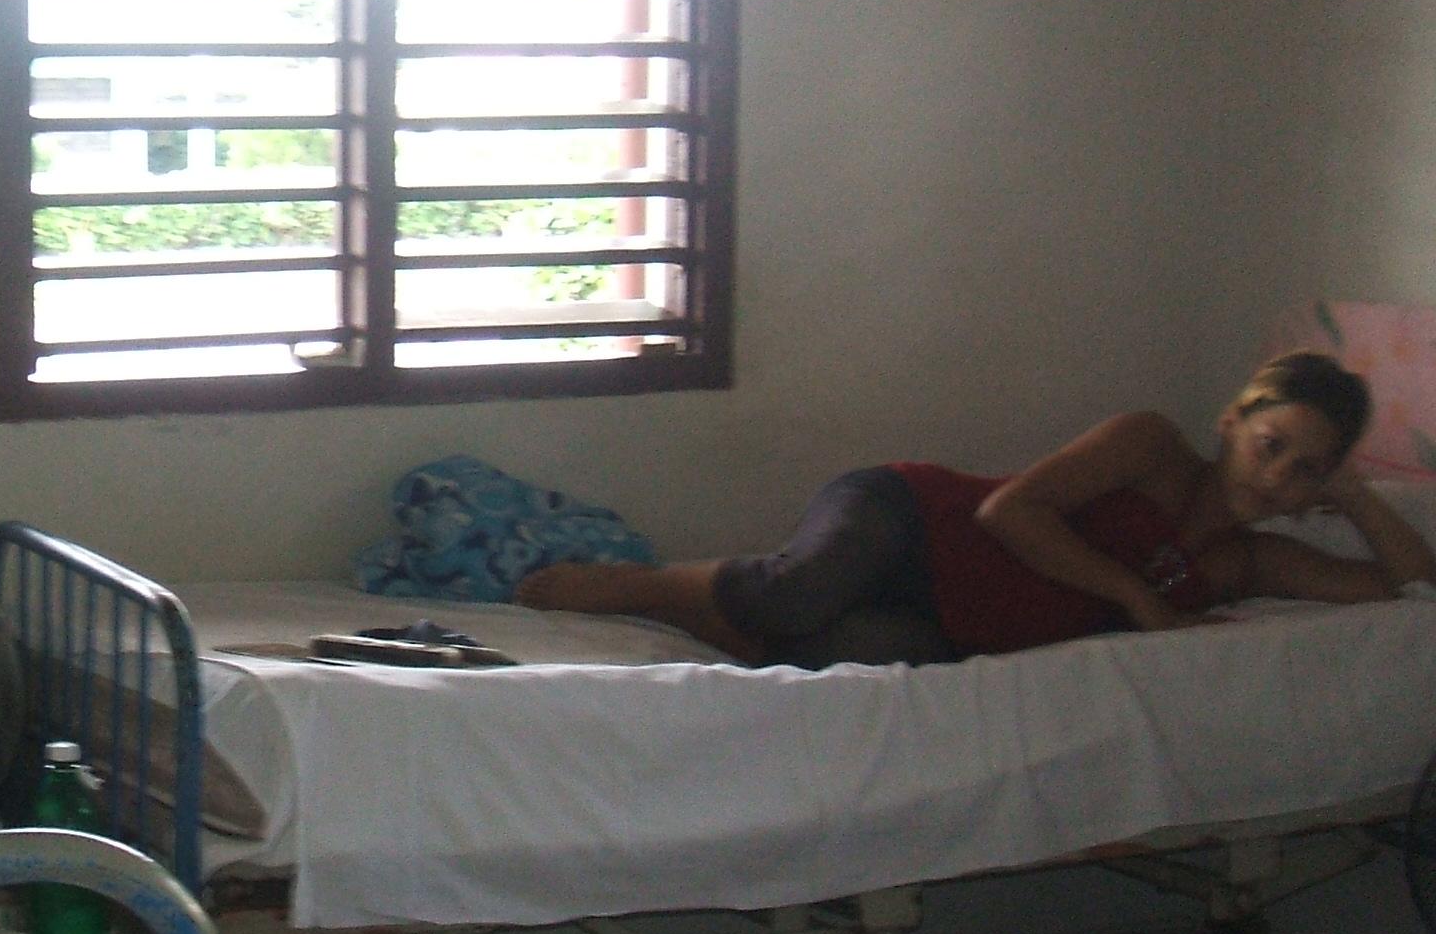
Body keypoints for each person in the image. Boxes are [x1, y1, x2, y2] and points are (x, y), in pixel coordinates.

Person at [515, 351, 1436, 667]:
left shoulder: (1248, 562)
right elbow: (1009, 514)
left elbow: (1413, 591)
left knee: (837, 654)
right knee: (797, 597)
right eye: (1270, 445)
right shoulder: (1153, 446)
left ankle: (680, 608)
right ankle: (638, 585)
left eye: (1304, 472)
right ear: (1232, 423)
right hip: (914, 519)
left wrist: (1355, 493)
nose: (1276, 480)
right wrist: (1136, 597)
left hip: (957, 620)